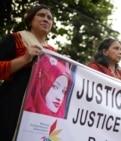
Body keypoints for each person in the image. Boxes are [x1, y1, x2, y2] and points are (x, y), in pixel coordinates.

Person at [0, 4, 55, 140]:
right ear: (30, 20)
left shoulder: (53, 53)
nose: (46, 19)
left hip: (35, 112)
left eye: (49, 18)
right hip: (9, 104)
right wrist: (25, 59)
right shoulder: (16, 39)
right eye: (41, 15)